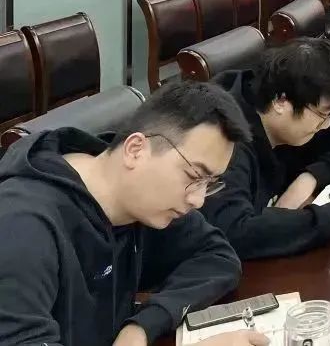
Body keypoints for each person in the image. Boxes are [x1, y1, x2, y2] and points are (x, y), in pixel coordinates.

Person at [0, 80, 265, 346]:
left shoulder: (140, 203)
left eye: (209, 183)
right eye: (194, 176)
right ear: (135, 150)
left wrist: (142, 326)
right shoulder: (23, 227)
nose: (198, 200)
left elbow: (218, 256)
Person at [201, 38, 330, 260]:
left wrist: (310, 178)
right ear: (280, 101)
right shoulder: (224, 140)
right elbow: (235, 233)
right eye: (324, 114)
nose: (326, 125)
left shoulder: (294, 109)